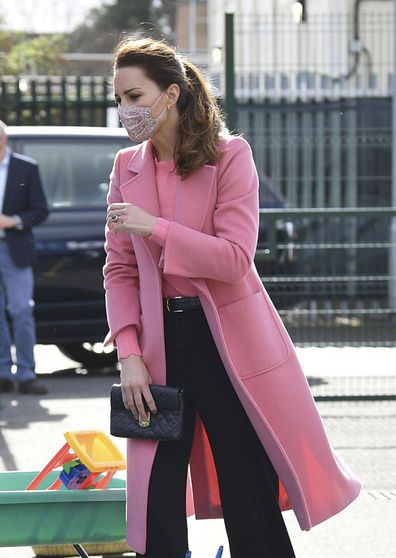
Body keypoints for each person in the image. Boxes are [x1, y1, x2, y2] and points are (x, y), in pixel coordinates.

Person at [104, 38, 361, 558]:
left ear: (170, 93)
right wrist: (129, 355)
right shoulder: (125, 166)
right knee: (156, 499)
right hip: (158, 350)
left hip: (228, 347)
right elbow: (119, 270)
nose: (126, 111)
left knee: (249, 490)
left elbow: (234, 258)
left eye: (134, 96)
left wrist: (155, 227)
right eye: (119, 100)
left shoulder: (230, 156)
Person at [0, 120, 49, 395]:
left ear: (4, 139)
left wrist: (13, 220)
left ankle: (27, 373)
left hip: (14, 248)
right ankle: (3, 372)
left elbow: (41, 211)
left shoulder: (26, 168)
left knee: (21, 311)